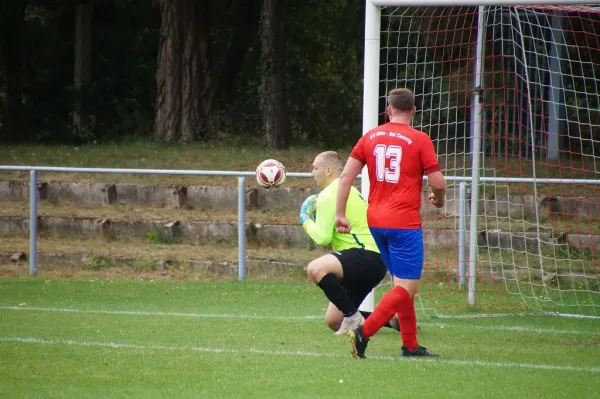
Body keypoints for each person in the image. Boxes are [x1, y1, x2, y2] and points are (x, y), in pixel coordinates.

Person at [335, 88, 447, 358]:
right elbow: (438, 183)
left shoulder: (370, 136)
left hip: (376, 219)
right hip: (404, 223)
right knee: (409, 287)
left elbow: (346, 178)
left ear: (388, 111)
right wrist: (439, 199)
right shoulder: (419, 139)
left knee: (401, 284)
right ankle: (364, 332)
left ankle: (410, 346)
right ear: (414, 111)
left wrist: (340, 213)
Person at [300, 151, 400, 335]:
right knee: (334, 321)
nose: (312, 173)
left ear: (328, 170)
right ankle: (389, 321)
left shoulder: (329, 193)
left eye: (315, 168)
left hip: (364, 256)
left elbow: (323, 239)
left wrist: (305, 219)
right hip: (374, 262)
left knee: (315, 268)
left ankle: (353, 317)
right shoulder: (347, 189)